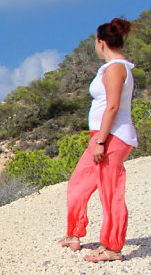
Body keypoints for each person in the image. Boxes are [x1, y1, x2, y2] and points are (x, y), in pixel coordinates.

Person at [58, 17, 138, 262]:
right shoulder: (113, 67)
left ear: (101, 42)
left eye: (96, 42)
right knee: (78, 184)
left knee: (110, 191)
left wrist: (101, 142)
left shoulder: (116, 68)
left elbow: (112, 107)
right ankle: (74, 234)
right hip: (102, 136)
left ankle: (112, 247)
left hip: (111, 137)